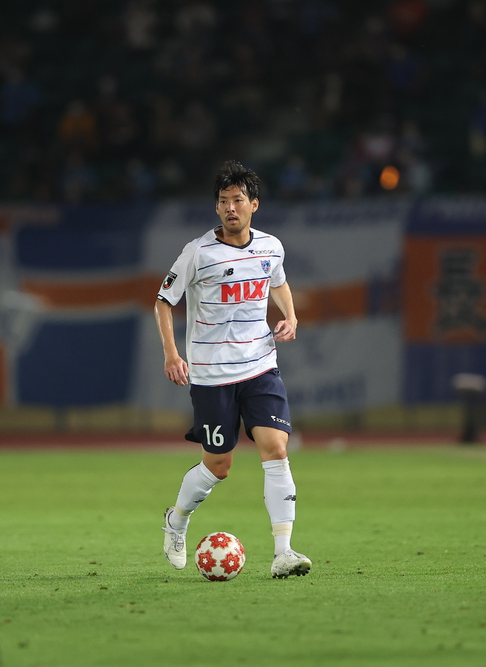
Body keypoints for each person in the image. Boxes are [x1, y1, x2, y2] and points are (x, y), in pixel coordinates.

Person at [154, 159, 312, 579]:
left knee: (276, 449)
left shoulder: (270, 247)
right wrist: (171, 354)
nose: (230, 208)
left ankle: (283, 552)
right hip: (212, 376)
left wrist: (291, 317)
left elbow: (277, 280)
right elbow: (163, 302)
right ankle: (177, 520)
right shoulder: (198, 252)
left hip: (260, 367)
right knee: (217, 466)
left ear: (253, 204)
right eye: (223, 201)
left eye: (238, 200)